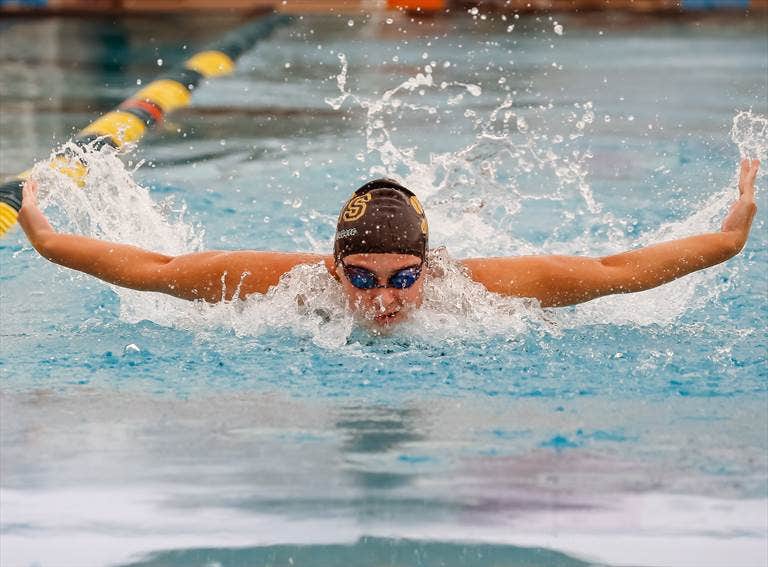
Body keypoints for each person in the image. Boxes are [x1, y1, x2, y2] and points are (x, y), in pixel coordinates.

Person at [17, 159, 759, 328]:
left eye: (404, 280)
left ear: (430, 266)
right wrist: (48, 242)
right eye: (362, 279)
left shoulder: (482, 288)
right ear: (333, 263)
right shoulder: (291, 284)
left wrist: (727, 242)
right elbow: (162, 269)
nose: (381, 301)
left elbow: (611, 271)